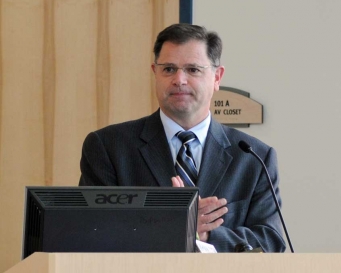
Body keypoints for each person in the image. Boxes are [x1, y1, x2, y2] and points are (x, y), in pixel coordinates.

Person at [79, 23, 286, 252]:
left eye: (193, 69)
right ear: (155, 73)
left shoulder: (254, 157)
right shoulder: (109, 147)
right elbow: (92, 234)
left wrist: (205, 234)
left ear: (217, 77)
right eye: (168, 69)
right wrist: (170, 227)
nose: (179, 79)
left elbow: (270, 242)